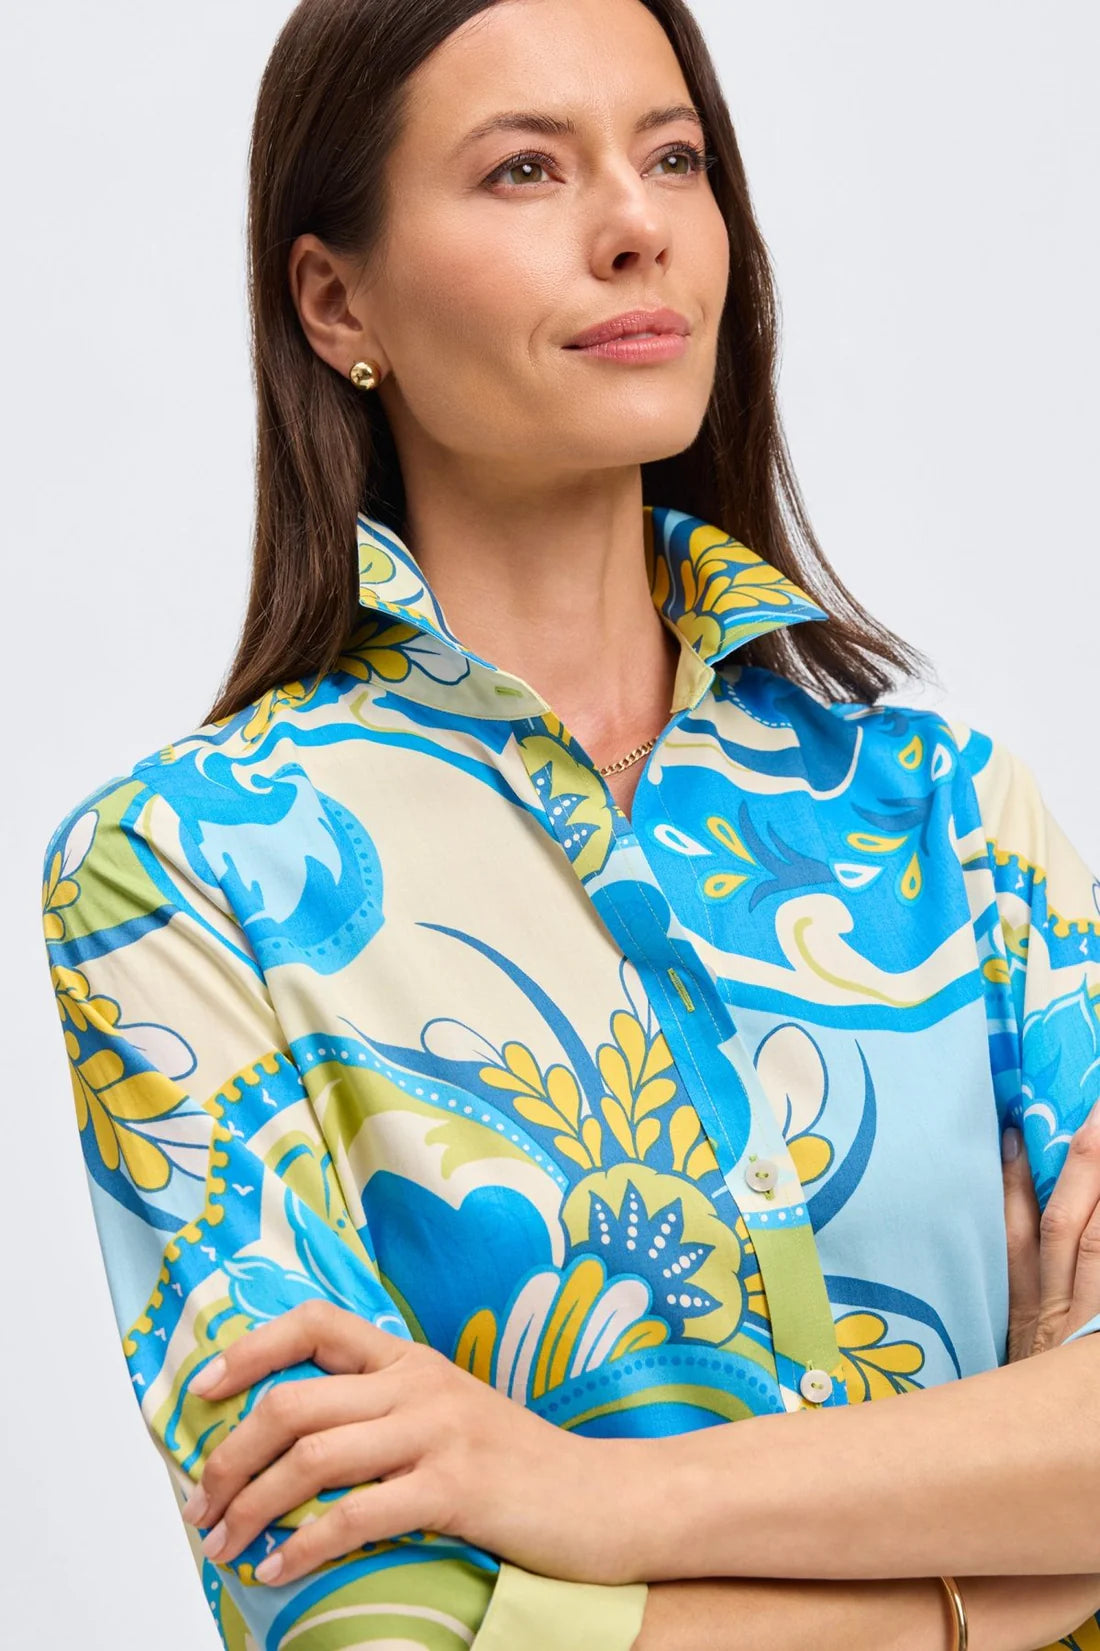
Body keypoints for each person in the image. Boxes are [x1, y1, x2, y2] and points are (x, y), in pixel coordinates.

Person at [38, 1, 1100, 1648]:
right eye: (525, 170)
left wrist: (576, 1500)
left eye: (674, 159)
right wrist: (985, 1585)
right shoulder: (182, 873)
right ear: (336, 302)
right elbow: (375, 1614)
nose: (636, 228)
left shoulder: (953, 815)